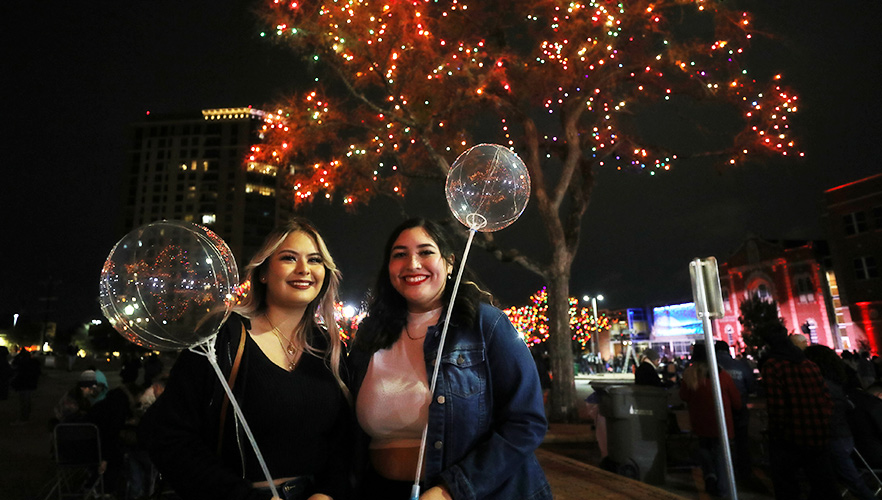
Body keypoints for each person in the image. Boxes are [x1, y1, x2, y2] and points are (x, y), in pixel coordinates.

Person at [140, 218, 352, 500]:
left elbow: (344, 443)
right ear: (263, 272)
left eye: (314, 260)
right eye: (289, 258)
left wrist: (327, 493)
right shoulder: (221, 339)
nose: (304, 269)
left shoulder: (330, 349)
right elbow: (167, 436)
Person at [348, 218, 551, 500]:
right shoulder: (369, 334)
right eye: (400, 254)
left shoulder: (486, 325)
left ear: (450, 263)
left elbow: (525, 422)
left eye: (426, 252)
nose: (413, 263)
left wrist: (451, 490)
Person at [761, 324, 838, 499]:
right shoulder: (809, 364)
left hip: (789, 436)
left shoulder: (772, 366)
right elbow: (826, 398)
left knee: (787, 485)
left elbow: (776, 406)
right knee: (823, 483)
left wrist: (777, 431)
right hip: (817, 433)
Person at [804, 344, 876, 500]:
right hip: (843, 435)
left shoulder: (821, 385)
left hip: (833, 437)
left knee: (852, 481)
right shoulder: (836, 382)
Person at [679, 343, 741, 497]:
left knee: (704, 449)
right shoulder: (722, 376)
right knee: (721, 456)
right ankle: (723, 489)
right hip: (721, 424)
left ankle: (710, 476)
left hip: (700, 423)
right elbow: (737, 402)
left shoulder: (690, 376)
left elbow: (683, 396)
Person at [714, 340, 756, 484]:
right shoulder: (741, 365)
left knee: (718, 443)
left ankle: (722, 474)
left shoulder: (711, 367)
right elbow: (751, 386)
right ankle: (744, 473)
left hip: (718, 411)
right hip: (739, 409)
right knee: (742, 442)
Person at [10, 348, 41, 425]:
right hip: (29, 384)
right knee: (26, 401)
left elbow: (14, 367)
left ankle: (24, 418)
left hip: (23, 384)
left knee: (24, 401)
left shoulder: (21, 363)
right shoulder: (34, 362)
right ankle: (26, 417)